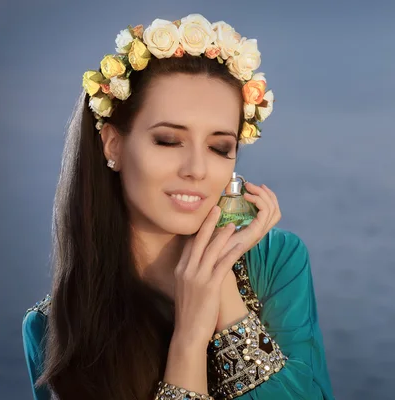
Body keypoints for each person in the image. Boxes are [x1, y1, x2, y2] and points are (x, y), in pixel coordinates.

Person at [21, 13, 335, 400]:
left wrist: (221, 282)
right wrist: (188, 340)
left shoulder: (276, 261)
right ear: (113, 145)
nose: (198, 170)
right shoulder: (52, 325)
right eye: (169, 141)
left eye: (220, 147)